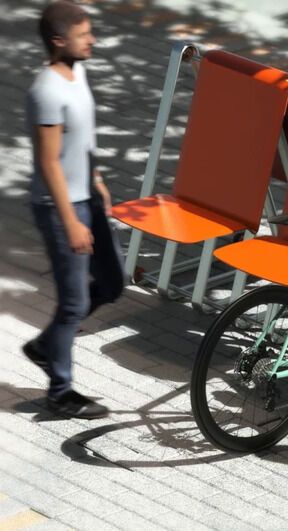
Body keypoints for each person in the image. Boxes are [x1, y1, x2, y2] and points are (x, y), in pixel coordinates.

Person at [23, 0, 123, 419]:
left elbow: (80, 139)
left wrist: (96, 178)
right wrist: (70, 221)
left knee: (113, 283)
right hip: (60, 206)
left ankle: (46, 346)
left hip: (87, 197)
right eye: (84, 36)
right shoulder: (46, 91)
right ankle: (60, 391)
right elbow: (49, 162)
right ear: (59, 41)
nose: (93, 40)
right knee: (71, 302)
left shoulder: (77, 71)